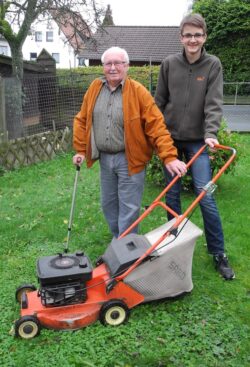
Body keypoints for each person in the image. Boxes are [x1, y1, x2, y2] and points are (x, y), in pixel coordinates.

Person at [72, 46, 186, 238]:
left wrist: (169, 157)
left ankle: (125, 248)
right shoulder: (94, 89)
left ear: (127, 66)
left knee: (129, 206)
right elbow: (82, 119)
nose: (113, 67)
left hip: (130, 159)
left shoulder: (138, 92)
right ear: (103, 67)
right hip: (105, 160)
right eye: (108, 63)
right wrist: (81, 150)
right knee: (108, 204)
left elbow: (156, 125)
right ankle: (120, 240)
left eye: (118, 63)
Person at [154, 13, 235, 280]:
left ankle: (218, 253)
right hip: (171, 140)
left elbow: (214, 103)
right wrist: (157, 135)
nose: (193, 39)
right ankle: (172, 245)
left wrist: (211, 133)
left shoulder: (213, 65)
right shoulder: (169, 64)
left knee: (205, 194)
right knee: (172, 195)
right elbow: (159, 101)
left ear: (204, 37)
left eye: (197, 35)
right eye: (188, 35)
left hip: (199, 140)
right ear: (181, 37)